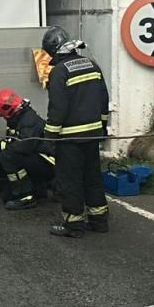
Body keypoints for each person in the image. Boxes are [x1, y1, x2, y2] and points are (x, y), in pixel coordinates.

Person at [42, 26, 111, 239]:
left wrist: (49, 138)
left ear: (53, 50)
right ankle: (99, 221)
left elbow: (58, 109)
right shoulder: (92, 65)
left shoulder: (59, 72)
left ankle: (74, 225)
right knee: (92, 177)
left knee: (70, 180)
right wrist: (102, 127)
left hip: (69, 138)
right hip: (92, 135)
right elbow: (103, 99)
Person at [0, 89, 55, 211]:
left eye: (1, 112)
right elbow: (14, 140)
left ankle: (25, 196)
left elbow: (25, 145)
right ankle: (37, 190)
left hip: (50, 163)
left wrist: (5, 149)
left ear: (8, 108)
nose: (0, 115)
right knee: (7, 196)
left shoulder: (28, 120)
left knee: (8, 156)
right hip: (40, 159)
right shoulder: (18, 117)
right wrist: (1, 146)